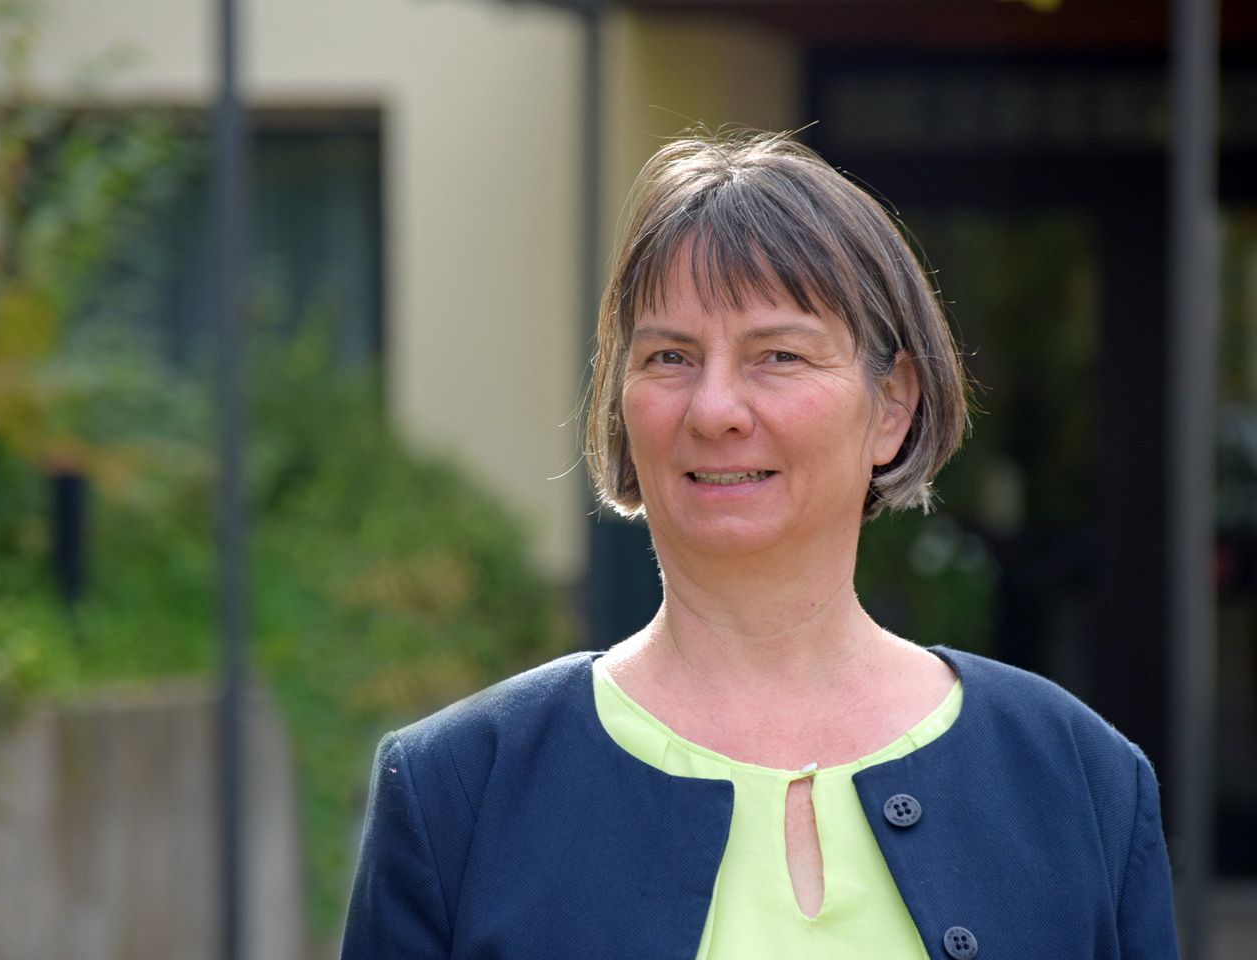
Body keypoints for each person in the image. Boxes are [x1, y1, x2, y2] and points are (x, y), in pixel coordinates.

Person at [340, 130, 1179, 960]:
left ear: (892, 406)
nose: (714, 410)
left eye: (777, 355)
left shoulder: (1081, 781)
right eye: (670, 357)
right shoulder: (456, 792)